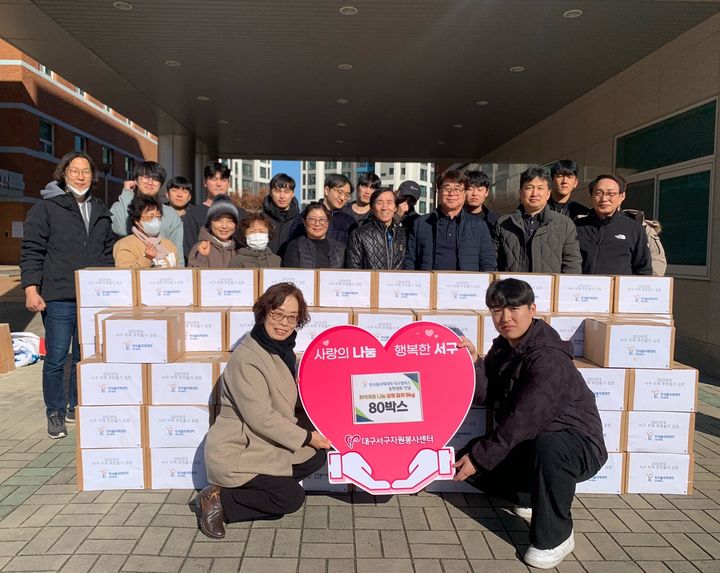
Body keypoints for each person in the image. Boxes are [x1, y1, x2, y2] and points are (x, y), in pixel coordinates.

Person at [454, 279, 607, 569]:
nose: (505, 318)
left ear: (532, 309)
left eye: (514, 309)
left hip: (576, 445)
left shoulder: (548, 357)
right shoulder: (504, 348)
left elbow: (526, 418)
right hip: (532, 443)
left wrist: (481, 457)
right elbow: (487, 396)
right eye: (497, 310)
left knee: (546, 446)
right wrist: (474, 362)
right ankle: (532, 496)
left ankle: (556, 536)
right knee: (464, 459)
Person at [200, 282, 332, 538]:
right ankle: (218, 500)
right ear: (263, 313)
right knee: (290, 499)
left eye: (292, 317)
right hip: (239, 446)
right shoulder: (247, 358)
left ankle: (267, 485)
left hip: (262, 441)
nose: (283, 323)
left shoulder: (284, 351)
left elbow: (289, 403)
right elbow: (261, 417)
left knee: (316, 456)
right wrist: (308, 436)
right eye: (277, 314)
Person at [21, 151, 115, 439]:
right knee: (57, 357)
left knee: (83, 356)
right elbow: (32, 250)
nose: (80, 176)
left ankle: (77, 406)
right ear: (64, 174)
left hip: (92, 296)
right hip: (59, 295)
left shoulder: (100, 209)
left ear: (93, 176)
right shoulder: (47, 208)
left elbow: (108, 252)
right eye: (74, 171)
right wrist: (30, 288)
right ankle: (55, 411)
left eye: (86, 171)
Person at [403, 170, 496, 271]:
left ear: (464, 193)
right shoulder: (421, 224)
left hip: (466, 285)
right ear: (439, 191)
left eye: (457, 189)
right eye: (447, 189)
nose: (452, 194)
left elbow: (488, 263)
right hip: (430, 285)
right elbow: (410, 260)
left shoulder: (479, 226)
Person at [496, 166, 582, 273]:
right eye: (529, 188)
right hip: (513, 288)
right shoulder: (504, 223)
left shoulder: (565, 224)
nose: (534, 193)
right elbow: (494, 261)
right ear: (520, 192)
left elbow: (572, 263)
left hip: (549, 288)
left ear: (548, 194)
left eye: (540, 188)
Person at [109, 161, 185, 266]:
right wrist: (127, 193)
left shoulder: (171, 214)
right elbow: (122, 229)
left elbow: (178, 253)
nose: (150, 182)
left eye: (155, 179)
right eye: (145, 177)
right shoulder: (120, 205)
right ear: (135, 180)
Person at [575, 174, 652, 275]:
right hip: (583, 289)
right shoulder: (577, 226)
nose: (604, 199)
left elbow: (643, 269)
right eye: (598, 193)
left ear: (622, 196)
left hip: (619, 289)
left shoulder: (634, 228)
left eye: (611, 194)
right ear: (591, 196)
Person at [183, 161, 248, 262]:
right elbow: (189, 250)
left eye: (223, 179)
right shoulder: (193, 214)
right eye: (213, 179)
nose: (218, 184)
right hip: (203, 270)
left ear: (228, 183)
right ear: (205, 182)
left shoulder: (241, 214)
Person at [346, 188, 406, 269]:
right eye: (379, 202)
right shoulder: (359, 234)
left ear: (395, 207)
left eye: (389, 202)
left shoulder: (402, 233)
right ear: (372, 208)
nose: (384, 207)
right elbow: (353, 268)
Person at [113, 195, 178, 268]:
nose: (155, 221)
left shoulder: (169, 245)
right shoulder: (126, 245)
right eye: (150, 217)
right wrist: (147, 259)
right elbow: (126, 275)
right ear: (137, 221)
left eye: (158, 216)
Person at [282, 202, 345, 268]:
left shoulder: (339, 249)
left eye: (322, 219)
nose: (317, 224)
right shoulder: (295, 246)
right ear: (304, 222)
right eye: (312, 219)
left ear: (328, 222)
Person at [188, 195, 240, 268]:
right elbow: (194, 277)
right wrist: (202, 257)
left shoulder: (240, 248)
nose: (224, 226)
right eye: (219, 220)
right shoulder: (200, 247)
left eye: (230, 221)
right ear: (210, 223)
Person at [263, 173, 301, 257]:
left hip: (292, 268)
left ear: (292, 194)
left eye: (286, 192)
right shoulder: (261, 219)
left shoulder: (300, 221)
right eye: (277, 191)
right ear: (270, 192)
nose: (282, 196)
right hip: (265, 267)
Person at [464, 169, 499, 245]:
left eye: (480, 189)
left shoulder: (494, 220)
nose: (475, 194)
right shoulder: (455, 217)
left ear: (486, 192)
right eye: (470, 189)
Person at [320, 173, 357, 244]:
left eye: (347, 195)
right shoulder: (308, 216)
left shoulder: (350, 222)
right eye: (340, 192)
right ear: (326, 190)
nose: (342, 198)